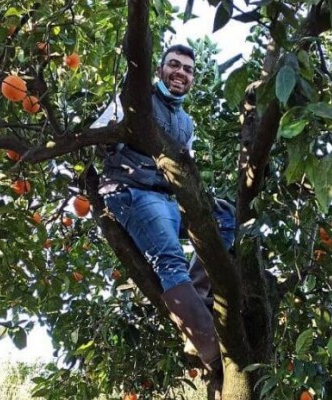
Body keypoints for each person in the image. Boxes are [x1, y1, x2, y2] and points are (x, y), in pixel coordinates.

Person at [94, 44, 234, 387]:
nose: (180, 72)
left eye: (187, 69)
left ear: (192, 79)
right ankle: (213, 353)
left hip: (168, 199)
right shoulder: (132, 99)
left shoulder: (187, 123)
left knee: (227, 217)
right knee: (170, 260)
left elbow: (184, 168)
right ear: (159, 70)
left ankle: (195, 302)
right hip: (133, 190)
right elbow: (97, 135)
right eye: (174, 65)